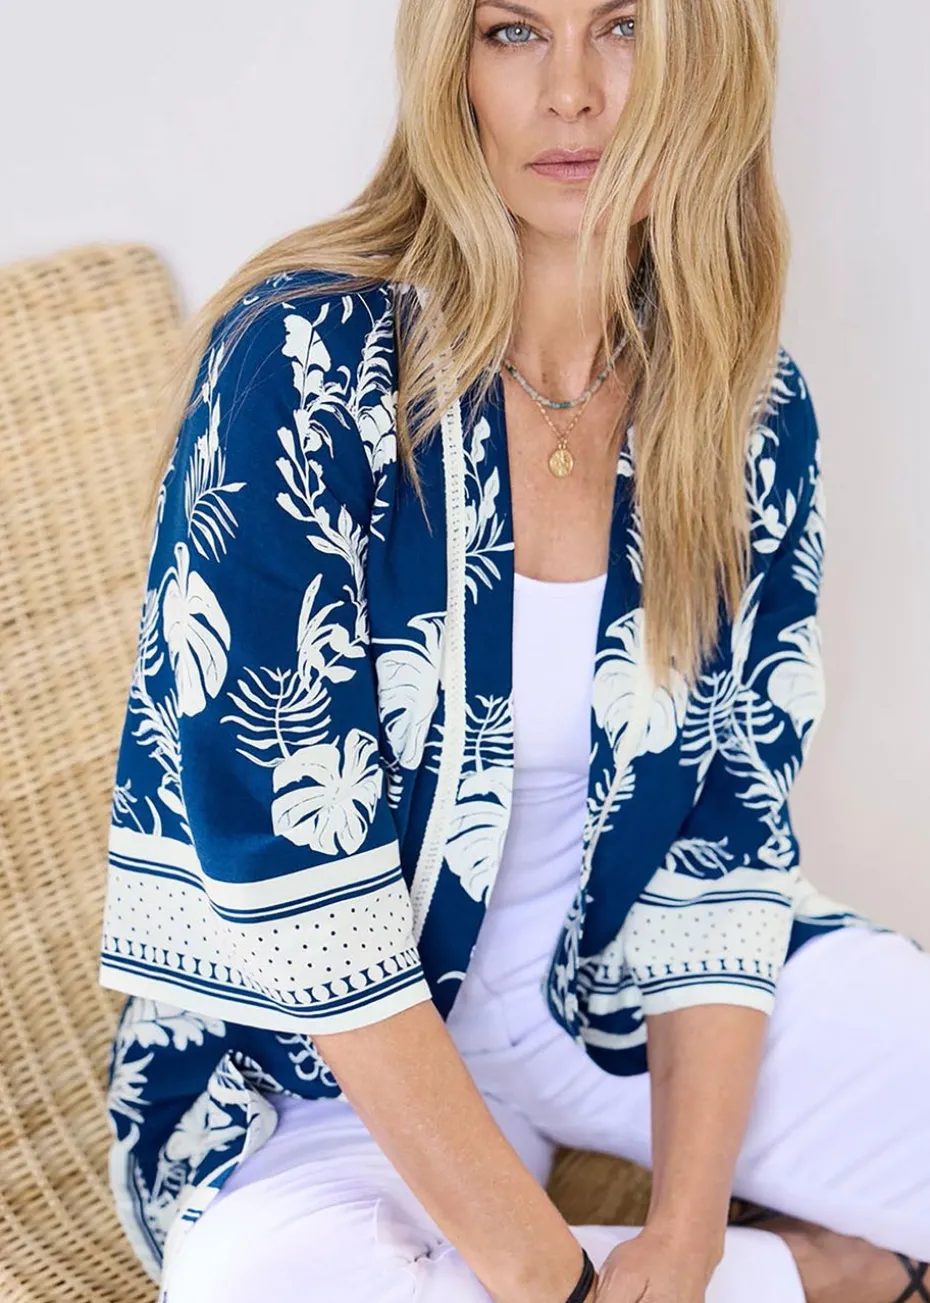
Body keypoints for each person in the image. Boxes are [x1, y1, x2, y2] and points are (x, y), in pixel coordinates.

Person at [97, 1, 930, 1301]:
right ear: (452, 65)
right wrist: (550, 1275)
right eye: (512, 32)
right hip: (321, 1059)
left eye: (623, 26)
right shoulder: (302, 360)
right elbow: (288, 874)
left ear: (707, 57)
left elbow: (727, 836)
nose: (571, 93)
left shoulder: (748, 411)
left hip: (606, 996)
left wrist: (690, 1235)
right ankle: (827, 1276)